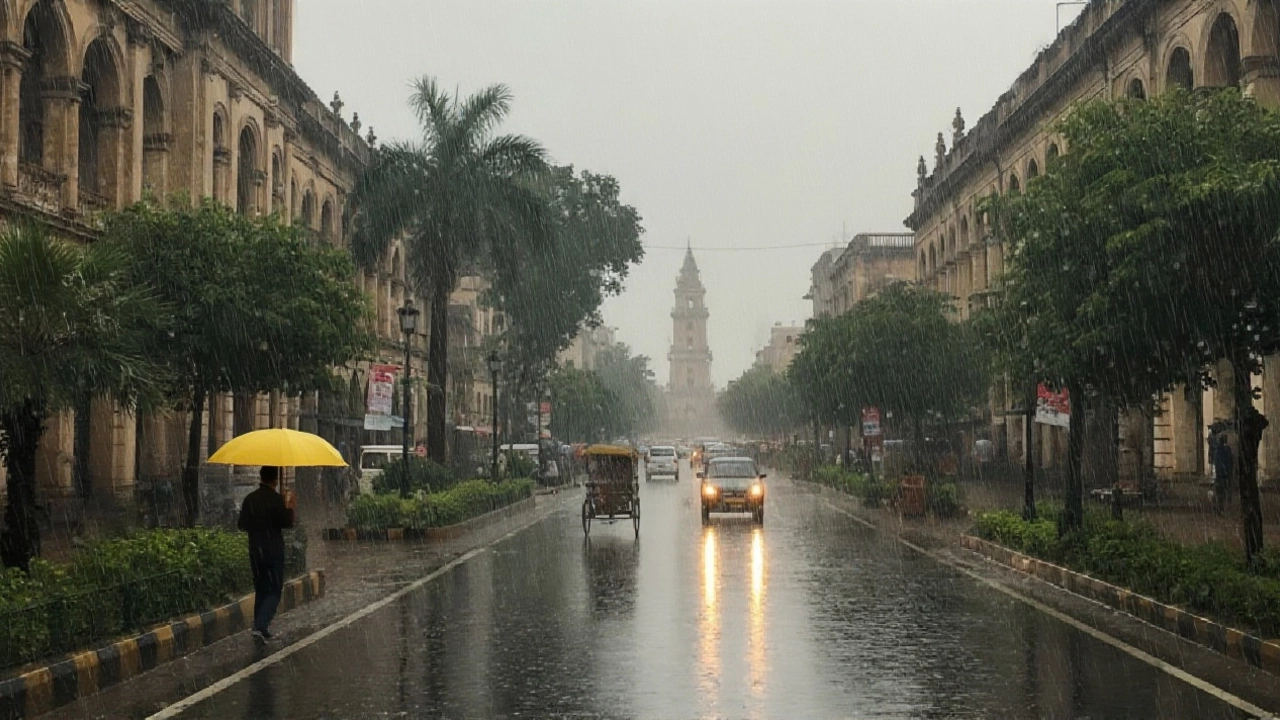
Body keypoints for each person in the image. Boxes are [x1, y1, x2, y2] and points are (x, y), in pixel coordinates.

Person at [237, 466, 295, 646]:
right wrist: (289, 507)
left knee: (261, 589)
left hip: (255, 551)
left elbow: (241, 525)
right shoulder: (277, 500)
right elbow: (287, 523)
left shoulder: (250, 499)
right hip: (273, 551)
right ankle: (260, 625)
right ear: (275, 480)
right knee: (274, 591)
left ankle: (260, 628)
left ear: (261, 477)